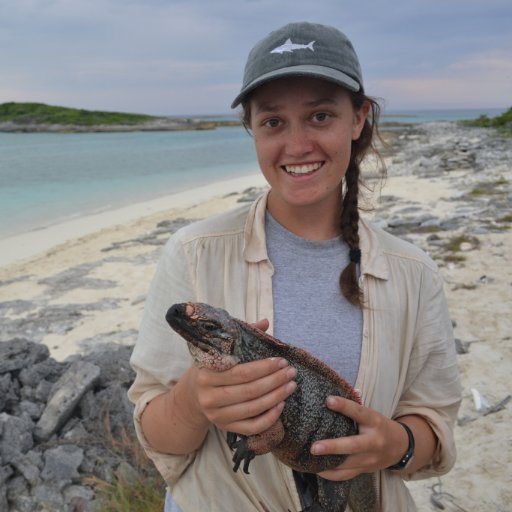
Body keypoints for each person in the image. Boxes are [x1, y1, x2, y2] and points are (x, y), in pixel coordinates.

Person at [128, 21, 462, 511]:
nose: (298, 145)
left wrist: (395, 444)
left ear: (358, 119)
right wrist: (196, 397)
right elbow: (159, 436)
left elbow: (434, 426)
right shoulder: (193, 252)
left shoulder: (413, 273)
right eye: (273, 122)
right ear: (252, 130)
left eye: (321, 116)